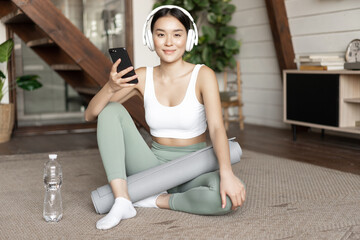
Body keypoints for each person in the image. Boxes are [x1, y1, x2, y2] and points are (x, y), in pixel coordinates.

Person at [85, 5, 246, 230]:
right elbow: (91, 113)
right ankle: (122, 200)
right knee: (110, 110)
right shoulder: (142, 76)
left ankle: (151, 199)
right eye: (161, 34)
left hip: (193, 167)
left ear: (188, 39)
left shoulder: (203, 75)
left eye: (177, 34)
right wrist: (110, 87)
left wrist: (227, 173)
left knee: (228, 198)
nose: (169, 42)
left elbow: (217, 128)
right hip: (152, 168)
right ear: (151, 40)